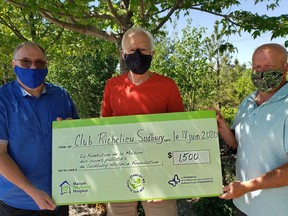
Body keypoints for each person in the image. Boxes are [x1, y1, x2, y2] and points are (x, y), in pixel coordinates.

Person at [101, 27, 185, 216]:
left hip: (160, 174)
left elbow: (180, 133)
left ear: (152, 53)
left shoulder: (168, 86)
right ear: (123, 54)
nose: (137, 54)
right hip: (120, 170)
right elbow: (104, 129)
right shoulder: (112, 86)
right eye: (131, 50)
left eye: (143, 49)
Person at [0, 41, 79, 215]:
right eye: (26, 62)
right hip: (18, 204)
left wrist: (71, 130)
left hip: (59, 198)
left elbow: (79, 140)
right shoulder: (2, 100)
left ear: (46, 66)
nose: (33, 67)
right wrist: (32, 191)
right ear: (14, 64)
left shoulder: (61, 95)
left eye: (40, 63)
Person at [217, 43, 288, 216]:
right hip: (244, 204)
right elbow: (239, 143)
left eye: (269, 66)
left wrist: (248, 186)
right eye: (257, 67)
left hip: (277, 209)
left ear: (285, 68)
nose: (261, 71)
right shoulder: (248, 101)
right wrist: (222, 127)